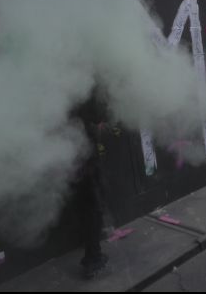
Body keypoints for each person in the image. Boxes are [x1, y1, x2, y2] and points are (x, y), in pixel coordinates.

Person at [70, 83, 113, 279]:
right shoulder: (83, 81)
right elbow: (98, 115)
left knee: (84, 204)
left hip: (66, 153)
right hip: (84, 153)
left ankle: (92, 251)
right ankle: (93, 259)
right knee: (92, 204)